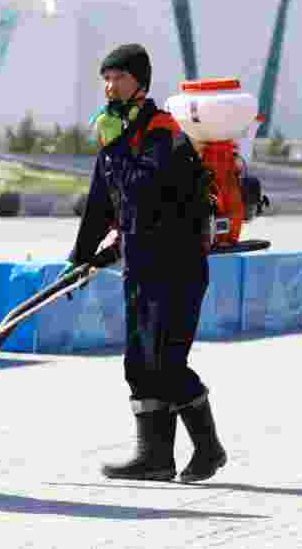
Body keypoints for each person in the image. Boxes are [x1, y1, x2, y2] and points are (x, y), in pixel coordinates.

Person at [60, 43, 226, 483]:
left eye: (118, 77)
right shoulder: (117, 133)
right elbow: (100, 204)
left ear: (141, 82)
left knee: (167, 363)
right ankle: (154, 457)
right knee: (138, 362)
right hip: (140, 266)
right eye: (106, 78)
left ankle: (209, 451)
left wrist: (115, 148)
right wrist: (77, 259)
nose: (110, 86)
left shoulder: (163, 132)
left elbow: (144, 191)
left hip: (177, 266)